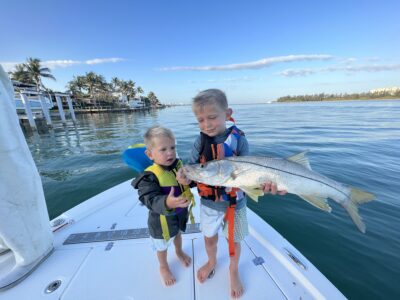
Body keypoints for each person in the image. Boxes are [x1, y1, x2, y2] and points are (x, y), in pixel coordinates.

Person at [177, 89, 286, 298]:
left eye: (212, 117)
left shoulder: (239, 140)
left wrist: (266, 184)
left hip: (236, 205)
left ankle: (233, 269)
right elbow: (192, 170)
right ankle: (211, 261)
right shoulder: (199, 142)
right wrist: (186, 178)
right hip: (210, 205)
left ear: (227, 114)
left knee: (234, 242)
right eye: (200, 120)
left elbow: (251, 172)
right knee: (209, 239)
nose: (207, 124)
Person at [132, 126, 193, 286]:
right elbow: (149, 198)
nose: (170, 153)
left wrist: (189, 181)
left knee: (178, 234)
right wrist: (166, 202)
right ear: (150, 154)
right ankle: (163, 266)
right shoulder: (149, 177)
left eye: (172, 147)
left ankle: (179, 251)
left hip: (179, 215)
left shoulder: (179, 166)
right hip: (160, 223)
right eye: (163, 149)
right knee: (162, 246)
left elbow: (191, 181)